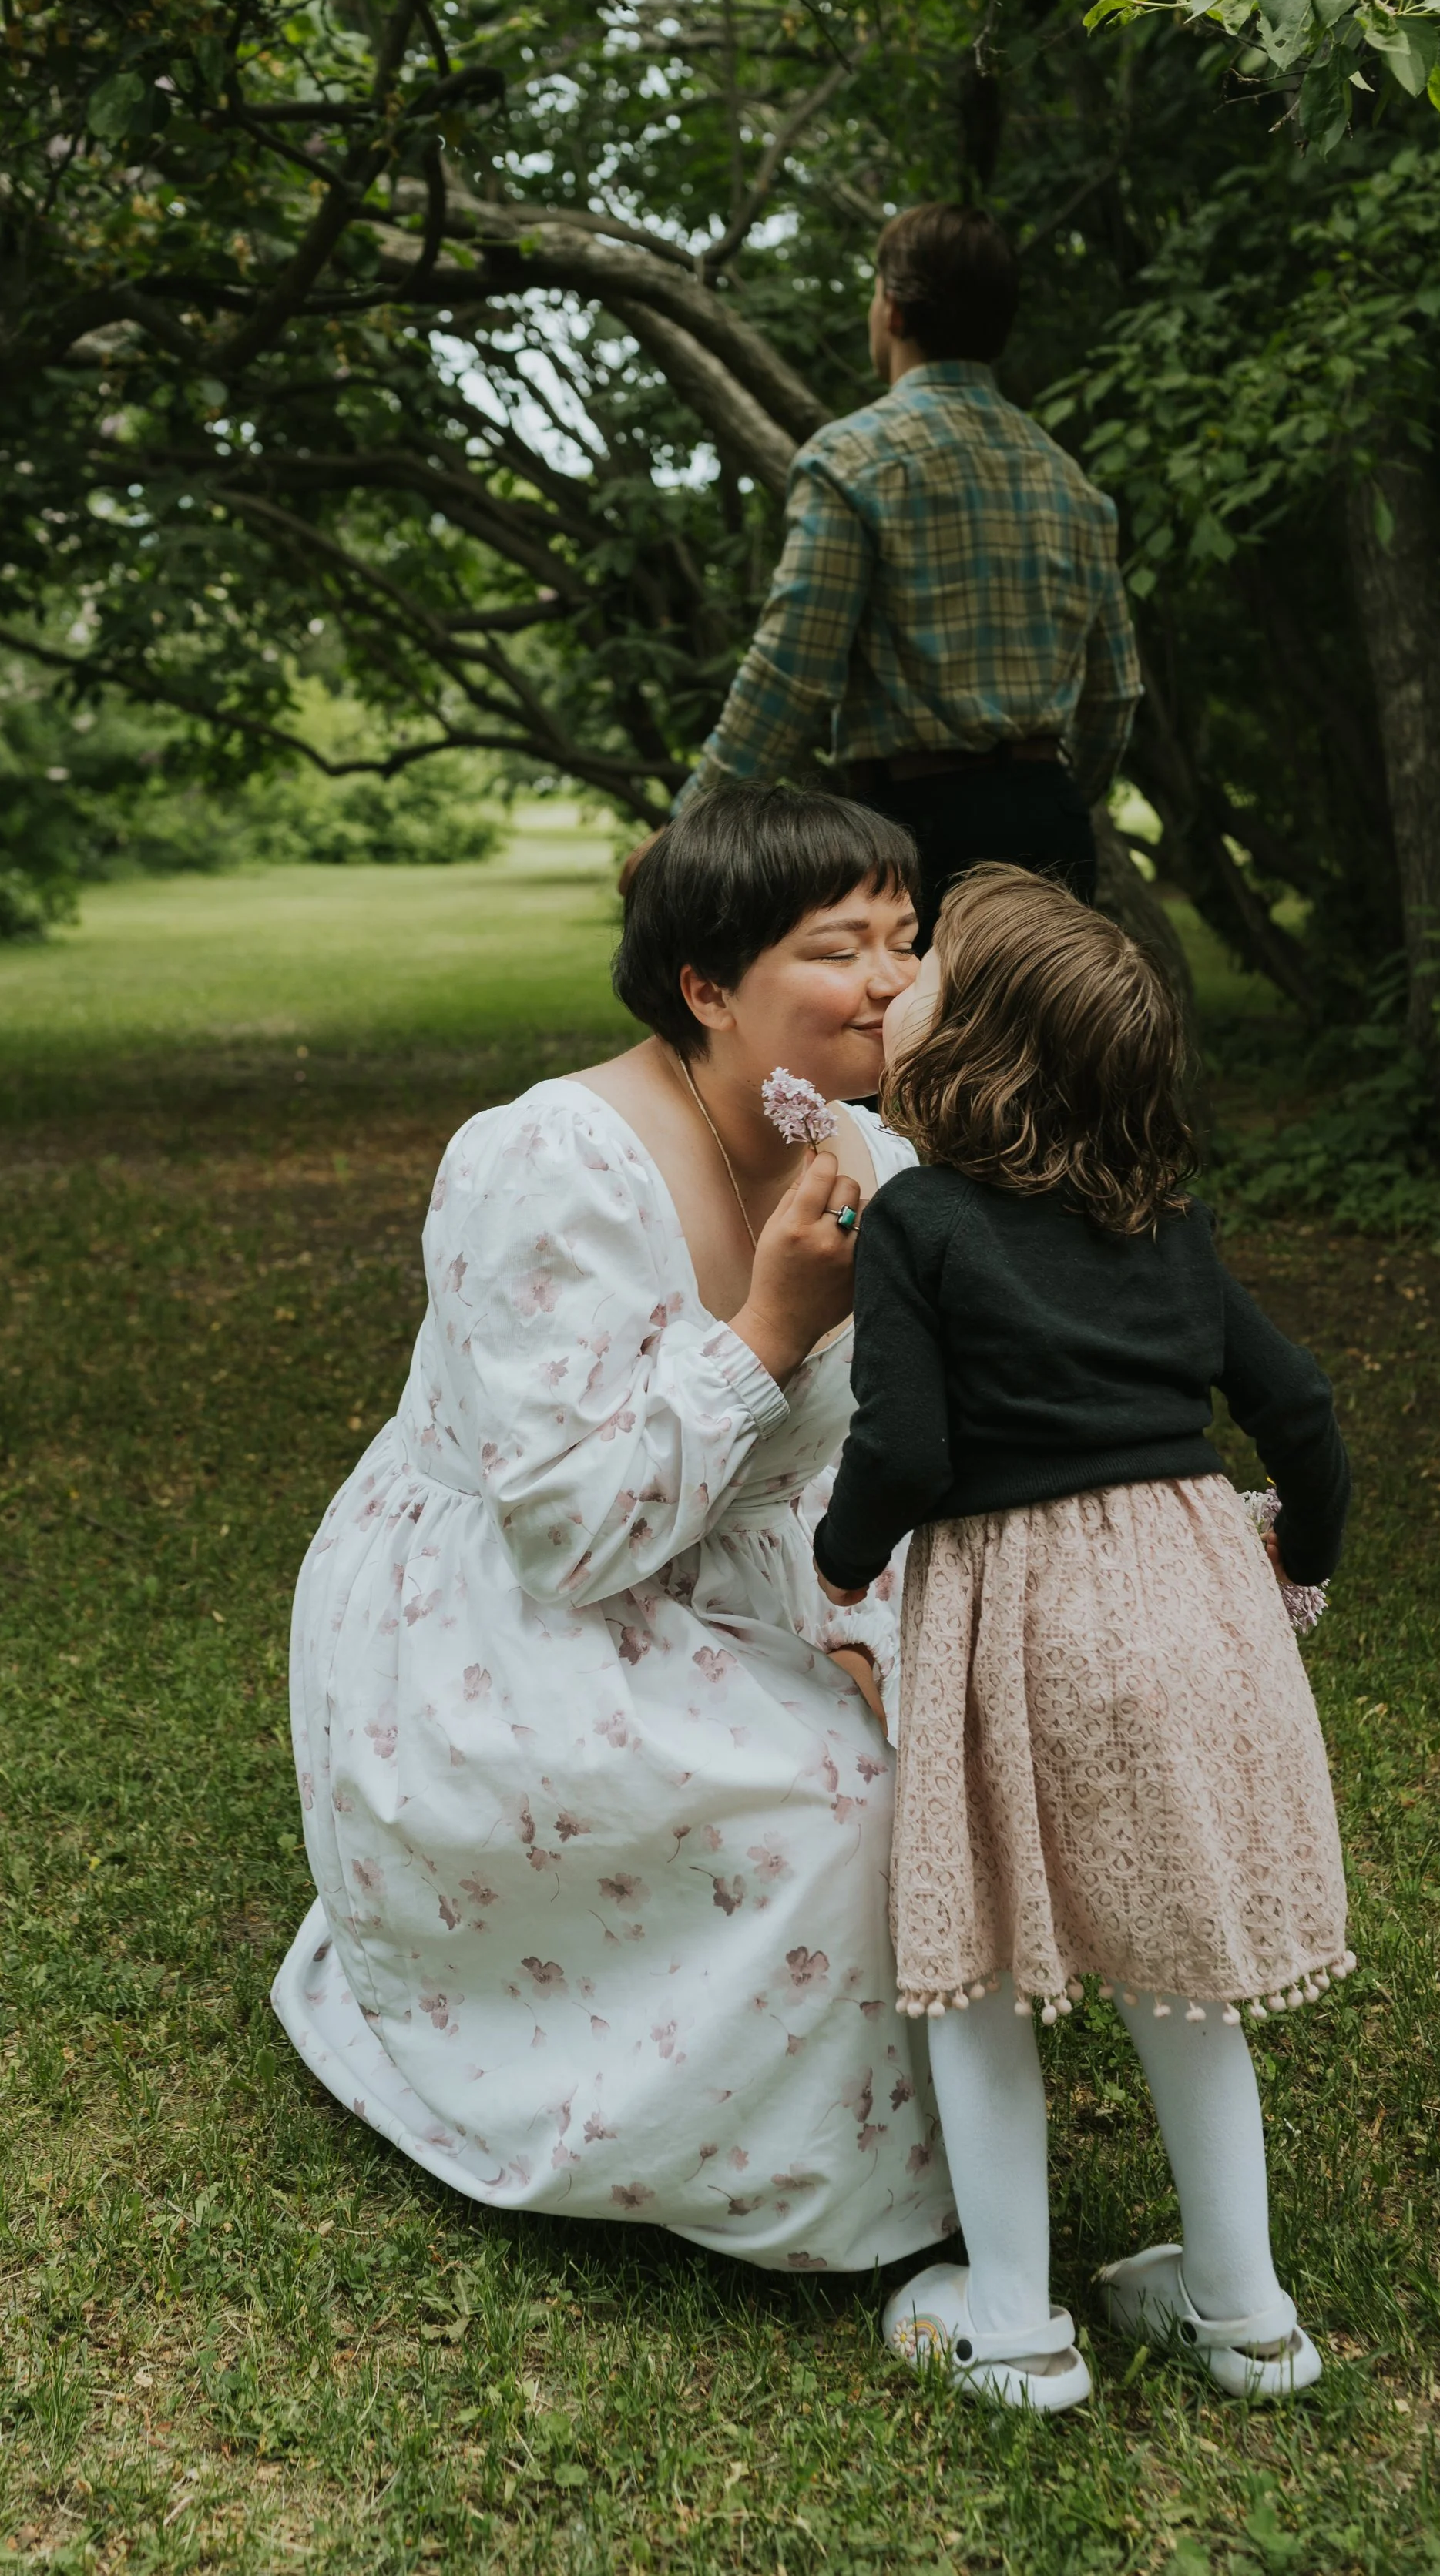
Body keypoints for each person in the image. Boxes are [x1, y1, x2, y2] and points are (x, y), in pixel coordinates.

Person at [273, 786, 959, 2272]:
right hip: (520, 1623)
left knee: (991, 1727)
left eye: (909, 938)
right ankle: (775, 2174)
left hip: (765, 1563)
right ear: (708, 986)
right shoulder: (545, 1164)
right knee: (846, 1808)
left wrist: (867, 1613)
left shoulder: (875, 1156)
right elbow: (568, 1537)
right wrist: (771, 1324)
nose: (897, 982)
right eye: (846, 948)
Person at [811, 865, 1353, 2406]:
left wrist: (838, 1564)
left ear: (970, 1044)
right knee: (1177, 1974)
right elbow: (1299, 1414)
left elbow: (903, 1450)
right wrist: (1292, 1571)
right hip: (1195, 1599)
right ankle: (1244, 2314)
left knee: (975, 1961)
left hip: (1022, 1614)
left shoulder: (915, 1219)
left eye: (925, 964)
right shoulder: (1161, 1221)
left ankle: (1012, 2318)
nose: (891, 976)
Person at [680, 202, 1141, 937]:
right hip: (1049, 823)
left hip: (913, 832)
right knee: (1039, 1051)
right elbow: (1116, 693)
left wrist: (691, 825)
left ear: (892, 310)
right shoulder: (1069, 481)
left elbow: (791, 673)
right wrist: (1054, 795)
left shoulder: (852, 460)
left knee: (910, 1050)